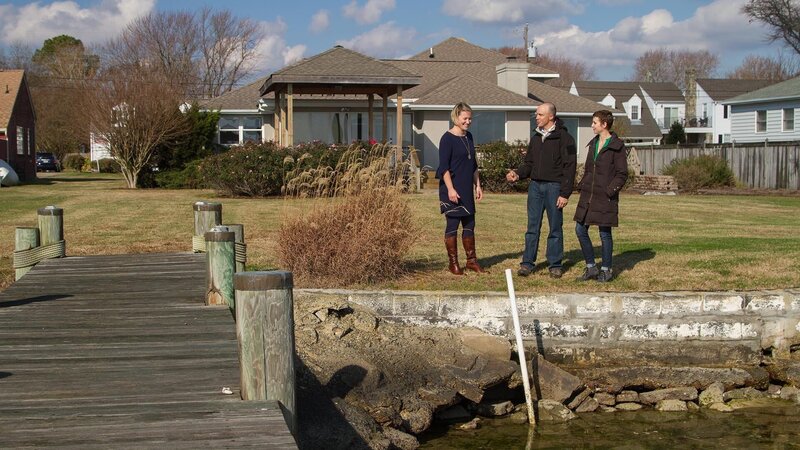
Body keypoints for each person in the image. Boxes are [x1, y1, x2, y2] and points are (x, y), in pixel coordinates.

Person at [506, 102, 576, 278]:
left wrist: (564, 193)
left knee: (555, 228)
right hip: (535, 187)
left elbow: (570, 167)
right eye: (536, 114)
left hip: (554, 188)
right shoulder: (536, 137)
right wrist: (518, 174)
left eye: (539, 115)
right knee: (532, 227)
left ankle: (555, 264)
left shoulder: (565, 138)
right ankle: (527, 263)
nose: (536, 117)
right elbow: (529, 164)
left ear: (550, 116)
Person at [573, 109, 628, 282]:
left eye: (594, 123)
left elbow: (622, 173)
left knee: (605, 233)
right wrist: (582, 185)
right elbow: (590, 169)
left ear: (604, 124)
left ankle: (606, 269)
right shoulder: (593, 144)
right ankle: (591, 267)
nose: (592, 126)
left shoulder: (616, 146)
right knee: (580, 229)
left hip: (605, 197)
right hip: (588, 195)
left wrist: (609, 191)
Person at [437, 102, 484, 275]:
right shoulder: (447, 138)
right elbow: (444, 168)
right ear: (456, 118)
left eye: (470, 118)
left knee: (470, 224)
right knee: (453, 224)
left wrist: (477, 185)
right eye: (465, 118)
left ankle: (472, 262)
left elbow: (473, 164)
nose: (468, 121)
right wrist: (450, 189)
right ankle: (453, 263)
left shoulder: (469, 137)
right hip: (452, 188)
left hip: (466, 187)